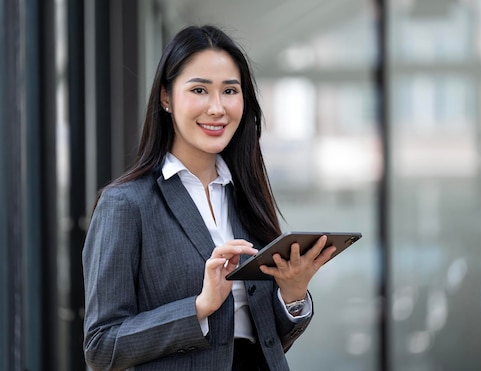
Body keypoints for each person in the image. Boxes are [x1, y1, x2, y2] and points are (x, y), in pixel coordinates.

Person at [82, 24, 336, 371]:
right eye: (199, 89)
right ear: (166, 97)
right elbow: (101, 347)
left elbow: (268, 343)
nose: (217, 108)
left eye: (230, 90)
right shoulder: (127, 205)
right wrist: (199, 306)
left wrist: (292, 294)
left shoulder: (246, 195)